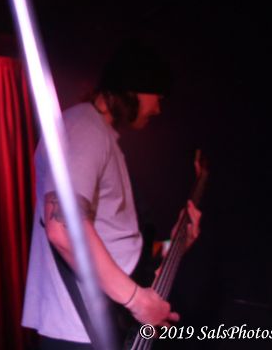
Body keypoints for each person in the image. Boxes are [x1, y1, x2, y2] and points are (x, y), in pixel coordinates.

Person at [21, 42, 202, 349]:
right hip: (80, 333)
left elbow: (118, 247)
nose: (158, 109)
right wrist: (137, 300)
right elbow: (63, 228)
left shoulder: (100, 135)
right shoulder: (83, 127)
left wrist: (174, 246)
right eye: (157, 97)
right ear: (134, 87)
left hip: (100, 327)